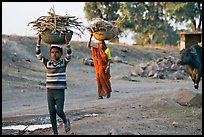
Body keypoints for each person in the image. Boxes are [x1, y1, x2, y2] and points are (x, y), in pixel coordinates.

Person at [35, 33, 72, 135]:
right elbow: (38, 55)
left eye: (56, 52)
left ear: (60, 53)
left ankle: (65, 121)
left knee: (59, 111)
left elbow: (69, 54)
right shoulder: (48, 63)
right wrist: (38, 42)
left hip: (59, 91)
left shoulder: (63, 63)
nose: (54, 54)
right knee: (52, 113)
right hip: (50, 92)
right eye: (52, 52)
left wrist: (67, 43)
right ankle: (55, 133)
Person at [87, 33, 112, 99]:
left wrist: (107, 67)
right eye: (100, 44)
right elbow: (88, 46)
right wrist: (90, 37)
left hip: (104, 68)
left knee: (105, 81)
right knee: (99, 81)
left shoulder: (107, 50)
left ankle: (108, 91)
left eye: (102, 43)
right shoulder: (96, 50)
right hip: (98, 68)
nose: (101, 45)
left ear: (104, 44)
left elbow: (109, 59)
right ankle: (100, 94)